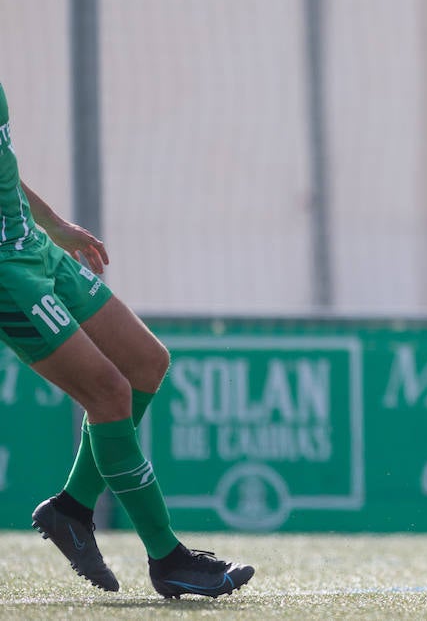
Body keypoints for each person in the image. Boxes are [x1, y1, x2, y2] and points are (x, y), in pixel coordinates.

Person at [0, 81, 254, 598]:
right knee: (110, 393)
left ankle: (71, 509)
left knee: (146, 362)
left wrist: (54, 226)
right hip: (8, 272)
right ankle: (168, 557)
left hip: (36, 248)